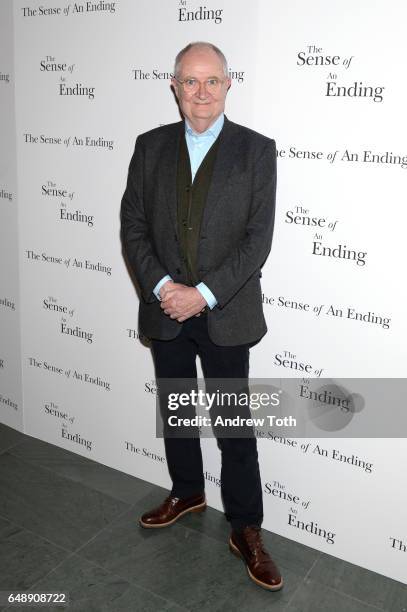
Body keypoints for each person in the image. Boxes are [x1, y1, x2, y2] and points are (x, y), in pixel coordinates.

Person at [120, 41, 282, 591]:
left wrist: (204, 293)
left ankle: (246, 527)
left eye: (212, 80)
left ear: (229, 84)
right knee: (178, 408)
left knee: (235, 426)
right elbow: (134, 226)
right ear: (174, 86)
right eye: (191, 81)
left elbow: (257, 240)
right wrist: (166, 287)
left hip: (225, 313)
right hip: (166, 310)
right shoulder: (149, 147)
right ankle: (187, 490)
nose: (202, 92)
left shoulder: (257, 151)